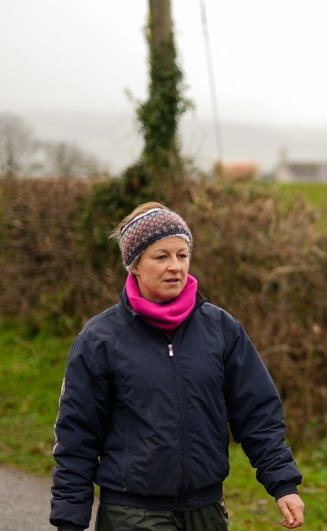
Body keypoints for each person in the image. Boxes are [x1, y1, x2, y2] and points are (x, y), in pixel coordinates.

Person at [50, 202, 305, 531]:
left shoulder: (221, 329)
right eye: (161, 256)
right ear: (135, 265)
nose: (175, 267)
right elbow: (77, 435)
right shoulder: (100, 340)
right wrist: (70, 518)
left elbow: (257, 413)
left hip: (206, 510)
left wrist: (283, 483)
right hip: (132, 513)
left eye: (182, 255)